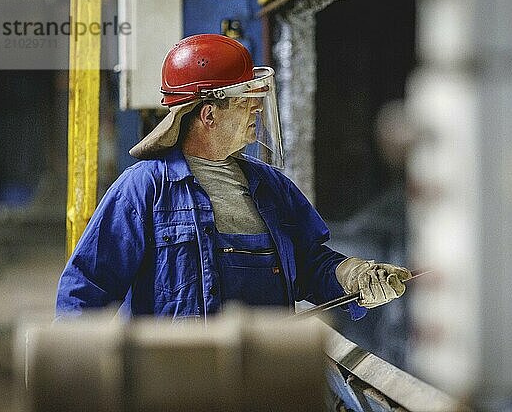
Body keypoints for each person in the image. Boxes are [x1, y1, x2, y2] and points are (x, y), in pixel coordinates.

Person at [55, 33, 411, 321]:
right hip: (173, 391)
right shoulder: (144, 190)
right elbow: (85, 290)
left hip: (260, 384)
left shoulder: (271, 188)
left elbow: (309, 264)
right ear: (209, 114)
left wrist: (353, 277)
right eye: (246, 102)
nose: (257, 109)